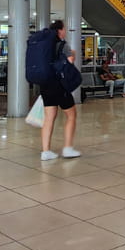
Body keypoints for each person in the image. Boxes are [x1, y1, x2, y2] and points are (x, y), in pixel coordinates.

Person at [39, 20, 81, 161]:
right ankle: (68, 148)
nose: (65, 32)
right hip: (59, 85)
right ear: (59, 30)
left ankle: (45, 151)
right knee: (71, 115)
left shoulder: (43, 46)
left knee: (49, 118)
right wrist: (73, 54)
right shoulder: (63, 45)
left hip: (45, 84)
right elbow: (69, 63)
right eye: (64, 29)